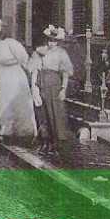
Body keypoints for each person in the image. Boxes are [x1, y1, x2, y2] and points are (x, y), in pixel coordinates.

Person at [0, 18, 37, 141]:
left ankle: (25, 131)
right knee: (4, 103)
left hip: (16, 75)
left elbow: (24, 58)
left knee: (20, 102)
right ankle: (6, 131)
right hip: (3, 77)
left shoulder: (11, 44)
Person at [29, 25, 74, 154]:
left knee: (55, 111)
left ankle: (56, 142)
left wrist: (63, 89)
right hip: (42, 81)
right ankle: (45, 140)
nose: (51, 43)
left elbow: (65, 72)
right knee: (42, 111)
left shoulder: (61, 53)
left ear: (58, 41)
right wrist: (34, 87)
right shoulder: (40, 52)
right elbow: (35, 70)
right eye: (49, 40)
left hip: (55, 82)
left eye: (54, 40)